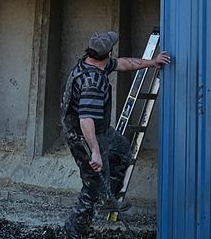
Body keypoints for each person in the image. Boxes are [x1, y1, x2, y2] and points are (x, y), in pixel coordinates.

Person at [61, 30, 172, 238]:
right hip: (85, 136)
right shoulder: (92, 83)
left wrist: (152, 62)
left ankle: (106, 197)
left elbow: (124, 63)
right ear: (108, 52)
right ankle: (74, 231)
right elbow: (86, 120)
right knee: (92, 185)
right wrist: (94, 152)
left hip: (99, 130)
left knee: (122, 152)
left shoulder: (93, 62)